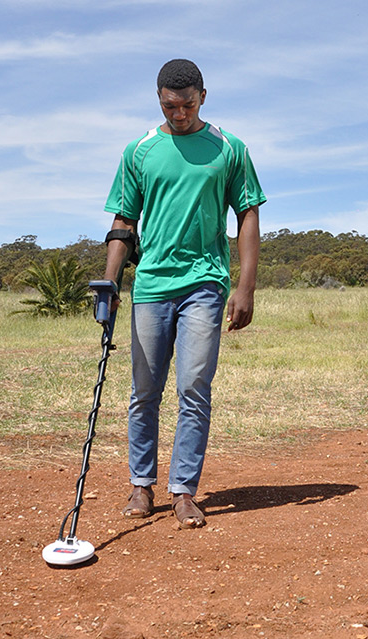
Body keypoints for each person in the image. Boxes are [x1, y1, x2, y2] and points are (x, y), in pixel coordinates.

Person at [101, 59, 265, 528]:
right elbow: (122, 222)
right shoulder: (139, 151)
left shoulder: (229, 148)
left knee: (194, 387)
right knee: (144, 391)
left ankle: (184, 490)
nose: (179, 114)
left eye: (188, 104)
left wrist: (245, 286)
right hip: (151, 284)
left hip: (205, 283)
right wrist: (110, 282)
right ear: (158, 99)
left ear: (203, 97)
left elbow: (248, 215)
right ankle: (140, 484)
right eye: (170, 105)